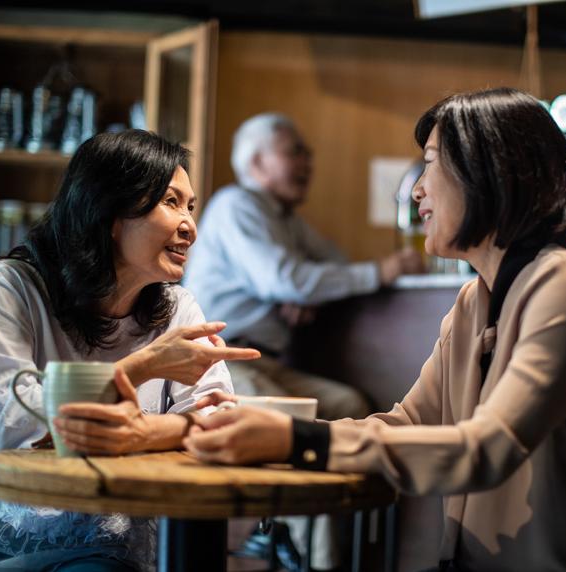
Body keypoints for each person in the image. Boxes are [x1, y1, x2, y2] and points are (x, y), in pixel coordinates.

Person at [184, 88, 566, 571]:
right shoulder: (474, 299)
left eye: (430, 163)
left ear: (489, 173)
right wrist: (289, 432)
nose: (417, 190)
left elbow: (488, 448)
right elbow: (408, 422)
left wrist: (299, 442)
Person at [0, 130, 260, 572]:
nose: (190, 225)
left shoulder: (178, 308)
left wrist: (136, 433)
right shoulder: (15, 285)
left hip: (107, 544)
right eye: (171, 202)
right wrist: (144, 370)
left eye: (190, 206)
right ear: (110, 212)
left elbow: (218, 420)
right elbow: (7, 423)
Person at [181, 113, 424, 570]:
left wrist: (305, 289)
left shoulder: (285, 218)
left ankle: (317, 553)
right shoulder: (238, 205)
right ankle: (300, 552)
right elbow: (287, 280)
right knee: (296, 428)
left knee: (348, 403)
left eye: (306, 153)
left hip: (265, 359)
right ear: (256, 163)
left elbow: (326, 264)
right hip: (222, 363)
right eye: (295, 151)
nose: (307, 162)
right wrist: (378, 272)